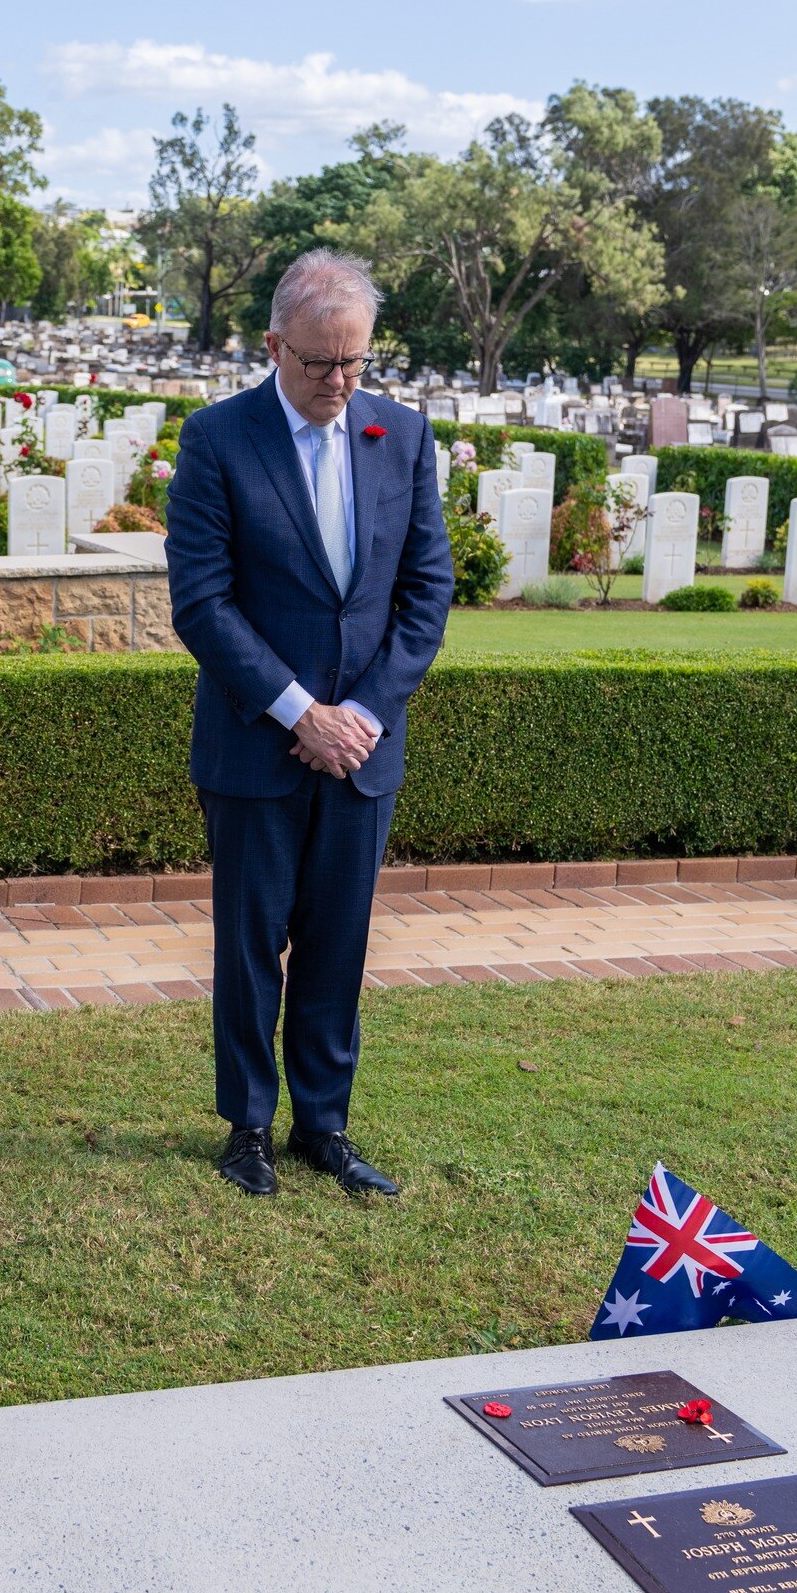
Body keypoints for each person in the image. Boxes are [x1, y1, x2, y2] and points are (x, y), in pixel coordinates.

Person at [165, 249, 453, 1200]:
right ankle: (246, 1124)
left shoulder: (401, 437)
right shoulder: (217, 439)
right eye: (320, 363)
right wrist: (300, 712)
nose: (339, 383)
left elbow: (425, 594)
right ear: (274, 345)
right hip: (257, 742)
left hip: (362, 748)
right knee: (250, 946)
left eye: (354, 363)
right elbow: (202, 603)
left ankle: (322, 1123)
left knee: (339, 940)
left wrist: (359, 715)